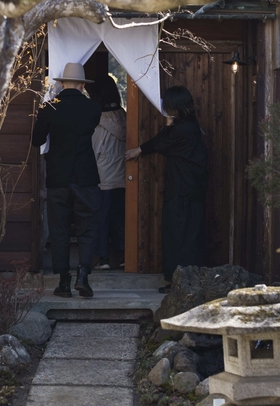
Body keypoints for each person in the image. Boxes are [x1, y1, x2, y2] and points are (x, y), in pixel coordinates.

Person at [125, 86, 207, 293]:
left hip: (182, 190)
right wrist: (140, 150)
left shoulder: (182, 129)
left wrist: (140, 149)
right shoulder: (189, 125)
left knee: (179, 235)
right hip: (189, 189)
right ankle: (183, 280)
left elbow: (162, 143)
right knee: (185, 234)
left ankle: (180, 282)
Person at [32, 62, 102, 298]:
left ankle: (63, 282)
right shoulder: (92, 108)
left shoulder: (50, 107)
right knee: (88, 227)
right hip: (86, 175)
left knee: (59, 229)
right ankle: (83, 276)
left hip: (58, 176)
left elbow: (37, 139)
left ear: (61, 83)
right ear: (83, 85)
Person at [87, 75, 126, 270]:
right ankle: (123, 255)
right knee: (120, 217)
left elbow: (94, 149)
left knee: (101, 217)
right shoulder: (124, 116)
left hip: (103, 175)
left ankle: (102, 258)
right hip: (125, 174)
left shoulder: (97, 119)